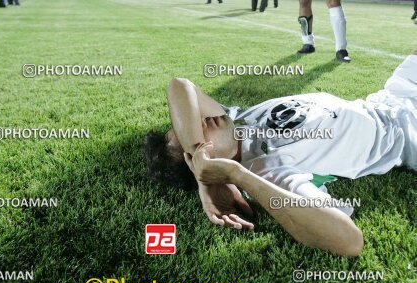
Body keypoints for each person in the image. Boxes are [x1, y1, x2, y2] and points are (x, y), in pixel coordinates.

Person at [143, 47, 417, 256]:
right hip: (407, 134)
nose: (200, 121)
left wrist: (197, 157)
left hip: (390, 96)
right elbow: (349, 241)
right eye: (191, 134)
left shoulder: (239, 119)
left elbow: (180, 85)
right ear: (214, 165)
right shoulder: (266, 170)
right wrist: (233, 175)